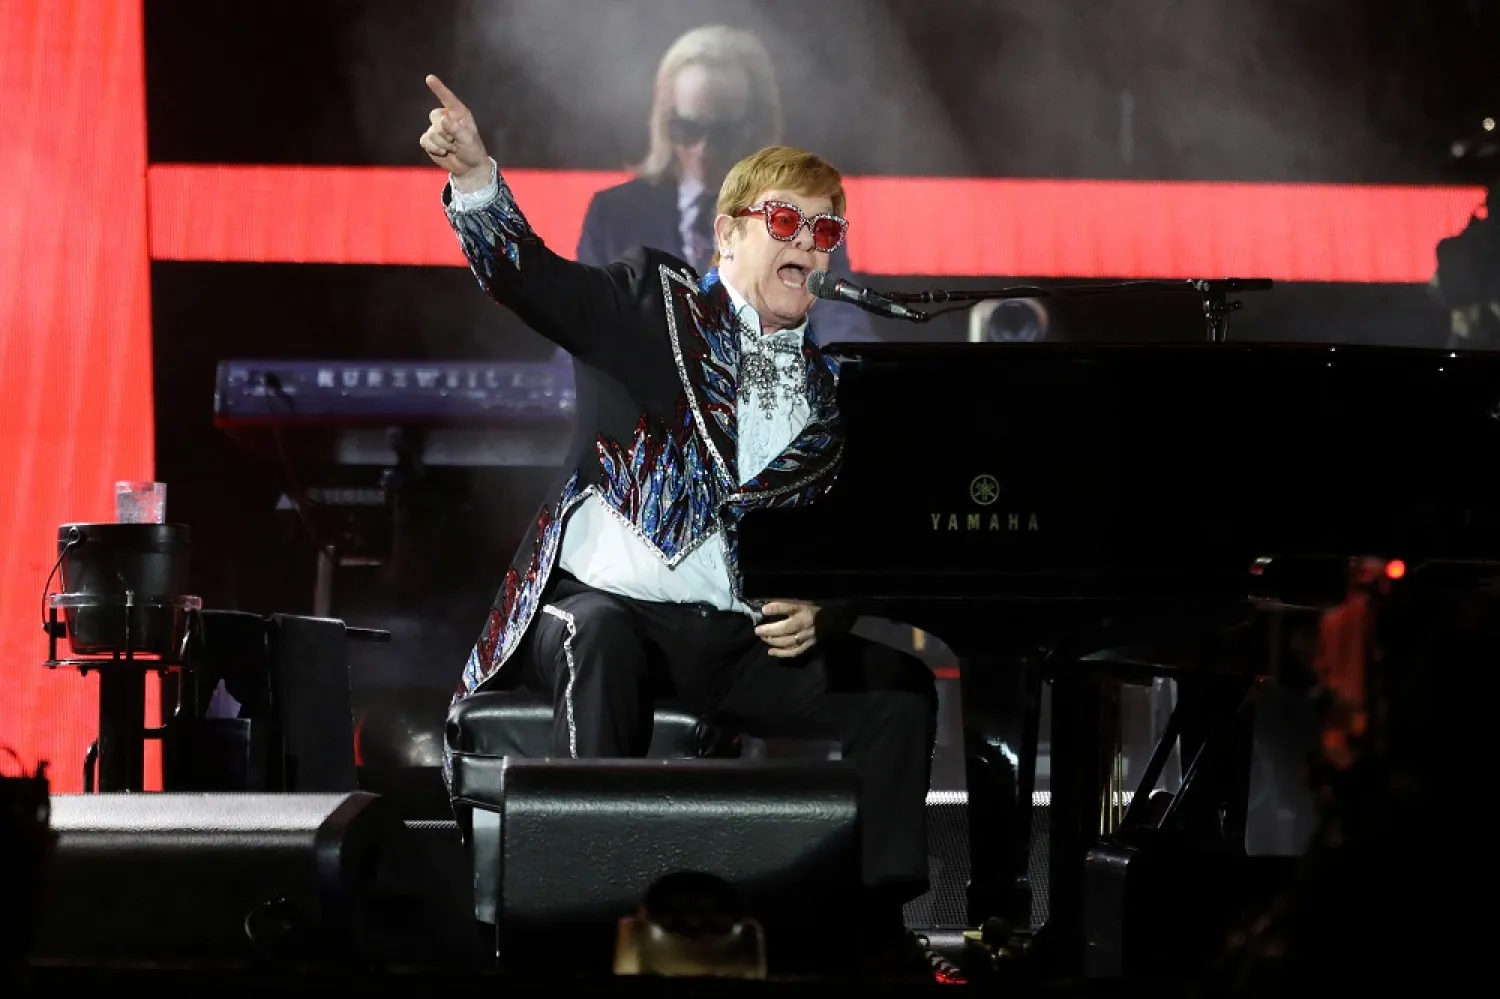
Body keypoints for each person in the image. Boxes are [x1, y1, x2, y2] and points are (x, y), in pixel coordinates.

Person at [419, 74, 936, 965]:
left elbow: (860, 538)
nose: (808, 248)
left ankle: (872, 930)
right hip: (603, 608)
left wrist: (827, 607)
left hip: (735, 640)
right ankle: (587, 921)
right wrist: (475, 179)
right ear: (730, 231)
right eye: (785, 223)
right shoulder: (649, 301)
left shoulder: (829, 387)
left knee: (897, 690)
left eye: (825, 232)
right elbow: (530, 281)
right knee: (604, 639)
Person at [575, 25, 878, 346]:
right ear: (665, 123)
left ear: (757, 126)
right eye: (687, 129)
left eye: (722, 134)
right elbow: (580, 336)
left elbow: (837, 318)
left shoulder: (802, 211)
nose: (702, 152)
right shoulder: (614, 216)